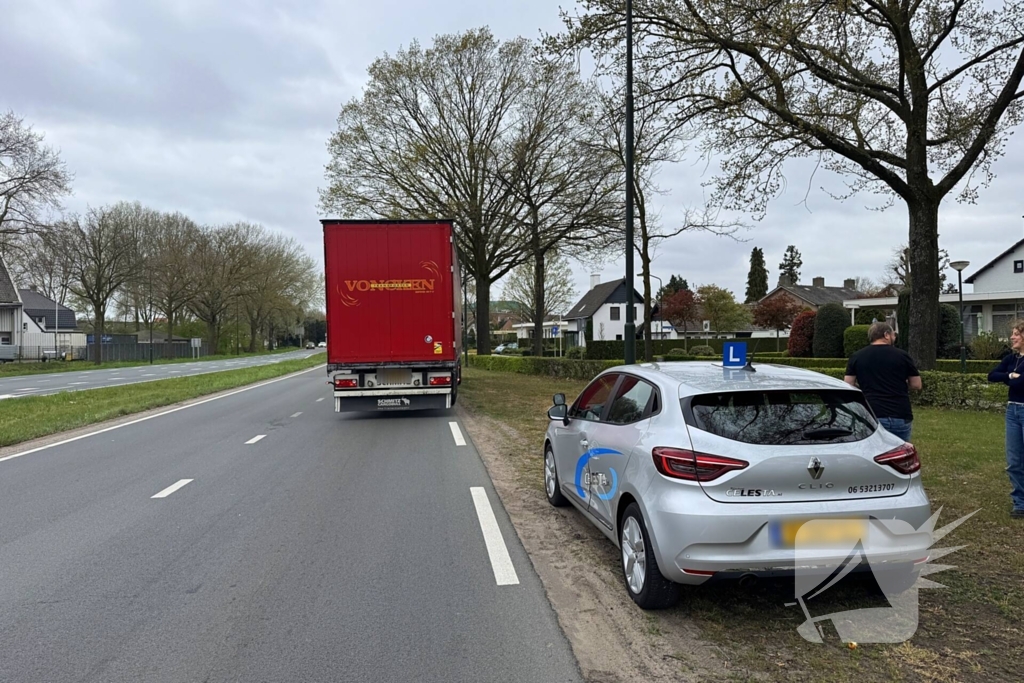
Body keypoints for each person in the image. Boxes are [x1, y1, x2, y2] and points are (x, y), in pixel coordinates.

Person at [844, 322, 922, 442]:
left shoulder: (857, 356)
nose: (894, 337)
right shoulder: (902, 356)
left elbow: (848, 384)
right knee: (899, 451)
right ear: (886, 335)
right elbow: (916, 384)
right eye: (893, 334)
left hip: (871, 413)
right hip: (899, 413)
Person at [986, 320, 1024, 519]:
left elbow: (1021, 383)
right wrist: (1010, 375)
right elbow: (991, 375)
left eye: (1016, 333)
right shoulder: (1011, 359)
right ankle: (1020, 503)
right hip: (1013, 411)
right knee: (1014, 461)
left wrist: (1013, 379)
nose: (1012, 337)